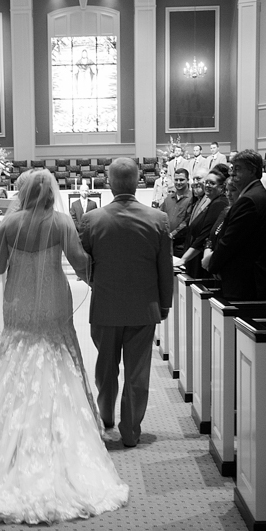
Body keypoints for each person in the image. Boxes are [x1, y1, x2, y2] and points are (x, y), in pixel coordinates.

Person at [0, 170, 129, 525]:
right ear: (50, 192)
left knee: (16, 356)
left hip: (18, 302)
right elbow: (80, 265)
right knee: (58, 351)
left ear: (23, 193)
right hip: (52, 298)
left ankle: (6, 440)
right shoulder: (61, 222)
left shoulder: (9, 224)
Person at [80, 157, 173, 448]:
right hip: (143, 307)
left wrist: (97, 284)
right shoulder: (158, 219)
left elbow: (84, 264)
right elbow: (164, 267)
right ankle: (131, 431)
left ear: (109, 182)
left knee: (106, 368)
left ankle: (106, 416)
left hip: (105, 306)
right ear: (137, 182)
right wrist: (165, 303)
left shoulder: (92, 219)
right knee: (137, 372)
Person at [207, 150, 266, 300]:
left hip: (245, 282)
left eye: (237, 168)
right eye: (232, 168)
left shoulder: (249, 200)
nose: (232, 173)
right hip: (246, 279)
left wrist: (213, 265)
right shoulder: (254, 194)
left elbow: (230, 241)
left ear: (252, 170)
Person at [176, 167, 229, 278]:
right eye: (207, 182)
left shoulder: (219, 203)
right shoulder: (211, 201)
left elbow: (205, 234)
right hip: (196, 257)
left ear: (221, 187)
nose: (208, 185)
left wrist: (184, 259)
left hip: (203, 260)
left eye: (212, 183)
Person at [160, 168, 191, 258]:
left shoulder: (192, 199)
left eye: (181, 180)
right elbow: (160, 216)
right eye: (176, 179)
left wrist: (173, 234)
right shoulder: (168, 199)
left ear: (188, 180)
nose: (178, 182)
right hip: (166, 243)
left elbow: (187, 221)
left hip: (181, 245)